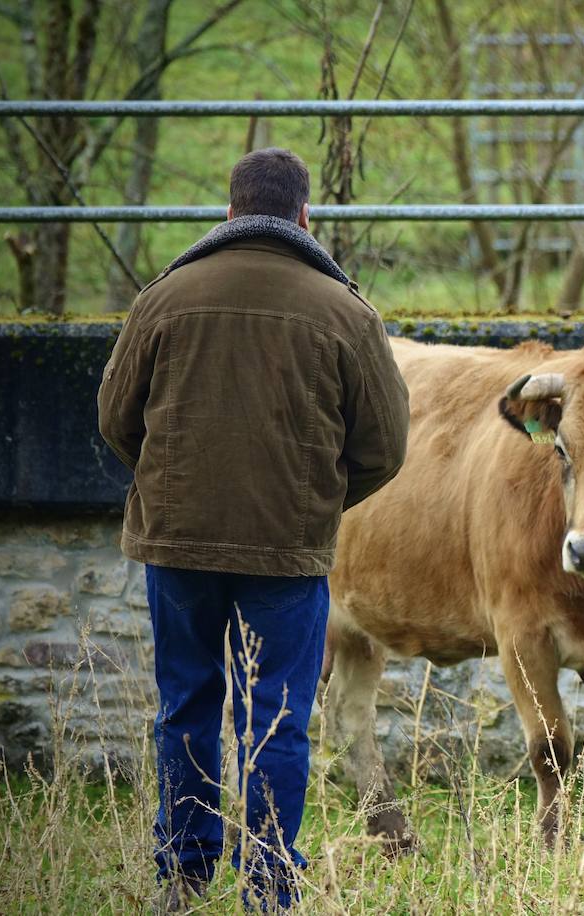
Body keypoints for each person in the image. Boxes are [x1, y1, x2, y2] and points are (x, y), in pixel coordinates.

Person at [98, 147, 410, 911]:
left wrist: (174, 486)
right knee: (277, 718)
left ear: (229, 212)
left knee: (185, 704)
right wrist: (316, 499)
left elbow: (114, 420)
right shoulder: (346, 311)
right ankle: (269, 886)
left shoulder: (164, 298)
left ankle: (182, 873)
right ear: (306, 217)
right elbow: (386, 447)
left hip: (177, 542)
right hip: (288, 548)